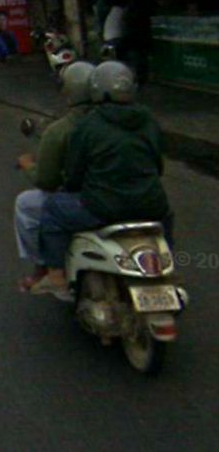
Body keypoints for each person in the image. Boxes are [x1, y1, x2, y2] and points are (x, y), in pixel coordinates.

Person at [36, 61, 172, 299]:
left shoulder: (88, 125)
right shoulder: (149, 120)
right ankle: (165, 267)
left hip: (104, 207)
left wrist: (71, 189)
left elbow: (74, 174)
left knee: (52, 208)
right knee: (167, 217)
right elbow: (158, 166)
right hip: (152, 206)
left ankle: (56, 275)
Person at [14, 62, 96, 294]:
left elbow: (47, 180)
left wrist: (28, 165)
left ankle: (47, 268)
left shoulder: (63, 130)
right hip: (138, 198)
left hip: (94, 200)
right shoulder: (134, 123)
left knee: (30, 205)